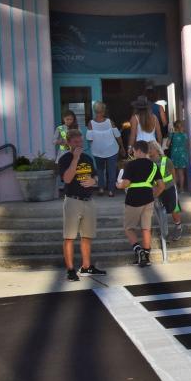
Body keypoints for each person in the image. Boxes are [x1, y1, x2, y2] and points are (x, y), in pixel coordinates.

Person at [57, 129, 105, 281]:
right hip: (72, 200)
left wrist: (94, 181)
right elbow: (67, 179)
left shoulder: (88, 158)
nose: (79, 144)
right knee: (69, 237)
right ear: (69, 143)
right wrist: (75, 159)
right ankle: (70, 270)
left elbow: (95, 175)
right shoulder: (65, 159)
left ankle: (86, 267)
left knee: (87, 236)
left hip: (88, 201)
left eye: (80, 141)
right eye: (76, 142)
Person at [117, 140, 163, 267]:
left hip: (133, 198)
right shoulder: (154, 166)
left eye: (133, 151)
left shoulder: (130, 165)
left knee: (128, 228)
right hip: (148, 198)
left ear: (137, 151)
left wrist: (118, 185)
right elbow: (161, 185)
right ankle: (146, 257)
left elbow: (125, 183)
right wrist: (153, 195)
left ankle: (139, 250)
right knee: (146, 228)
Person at [85, 102, 123, 197]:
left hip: (98, 151)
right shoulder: (110, 122)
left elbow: (89, 138)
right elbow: (117, 135)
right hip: (112, 150)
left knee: (100, 170)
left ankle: (101, 189)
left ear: (94, 111)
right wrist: (122, 147)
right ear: (104, 111)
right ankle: (111, 191)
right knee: (111, 170)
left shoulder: (91, 123)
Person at [148, 141, 183, 241]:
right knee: (160, 211)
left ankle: (178, 228)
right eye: (148, 149)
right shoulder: (149, 162)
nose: (149, 151)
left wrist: (174, 186)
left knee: (174, 209)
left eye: (151, 148)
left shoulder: (166, 160)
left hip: (169, 188)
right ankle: (164, 231)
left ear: (156, 149)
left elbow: (173, 174)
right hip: (157, 190)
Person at [168, 118, 190, 193]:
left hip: (175, 155)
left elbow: (167, 145)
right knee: (181, 173)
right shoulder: (185, 135)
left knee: (175, 172)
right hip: (183, 155)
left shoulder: (172, 134)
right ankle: (182, 189)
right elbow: (187, 144)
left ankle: (175, 188)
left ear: (174, 127)